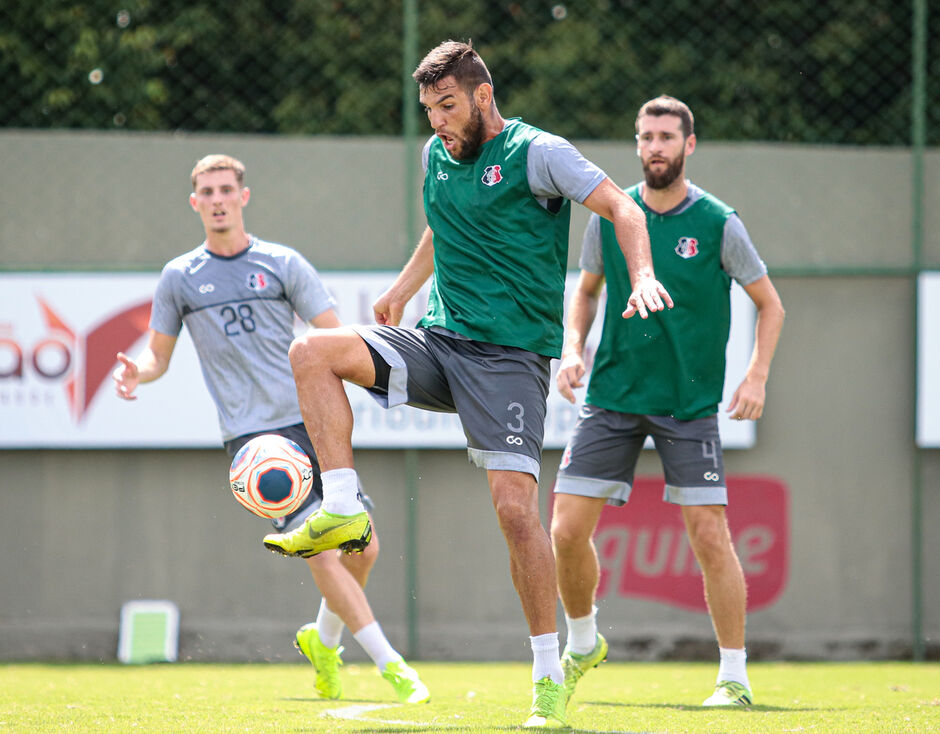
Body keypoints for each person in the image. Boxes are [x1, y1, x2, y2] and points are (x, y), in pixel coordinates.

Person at [262, 42, 672, 729]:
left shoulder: (538, 152)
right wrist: (400, 289)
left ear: (483, 96)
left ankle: (548, 677)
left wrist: (647, 274)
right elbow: (442, 226)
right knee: (312, 352)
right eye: (427, 110)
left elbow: (622, 210)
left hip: (510, 360)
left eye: (447, 106)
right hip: (440, 342)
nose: (437, 122)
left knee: (516, 513)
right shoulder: (437, 156)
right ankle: (342, 507)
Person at [112, 154, 429, 705]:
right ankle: (391, 663)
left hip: (310, 424)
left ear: (243, 197)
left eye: (225, 189)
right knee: (324, 553)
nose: (216, 199)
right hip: (256, 445)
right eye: (206, 192)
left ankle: (323, 640)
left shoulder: (283, 264)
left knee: (364, 549)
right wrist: (137, 372)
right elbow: (157, 357)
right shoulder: (179, 277)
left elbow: (334, 338)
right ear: (195, 204)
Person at [550, 95, 785, 710]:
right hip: (612, 397)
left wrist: (756, 375)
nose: (655, 146)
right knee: (565, 531)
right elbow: (587, 292)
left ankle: (733, 676)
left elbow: (771, 304)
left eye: (666, 137)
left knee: (710, 535)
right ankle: (582, 640)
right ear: (636, 143)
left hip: (688, 404)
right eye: (646, 136)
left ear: (689, 145)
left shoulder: (717, 222)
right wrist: (571, 348)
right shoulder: (611, 214)